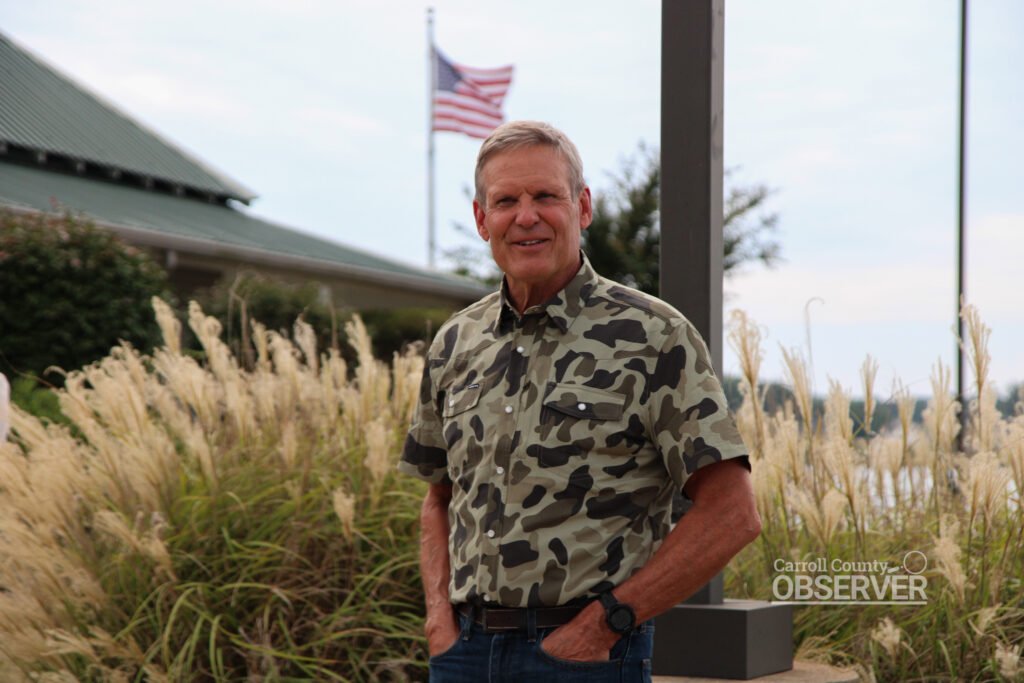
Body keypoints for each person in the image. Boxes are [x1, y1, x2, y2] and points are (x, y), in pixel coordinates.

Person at [399, 120, 760, 682]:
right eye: (505, 201)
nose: (526, 216)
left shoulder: (653, 335)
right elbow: (438, 498)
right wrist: (439, 624)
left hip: (585, 658)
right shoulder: (456, 342)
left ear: (582, 207)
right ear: (481, 219)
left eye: (546, 196)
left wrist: (604, 626)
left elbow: (733, 512)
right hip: (464, 656)